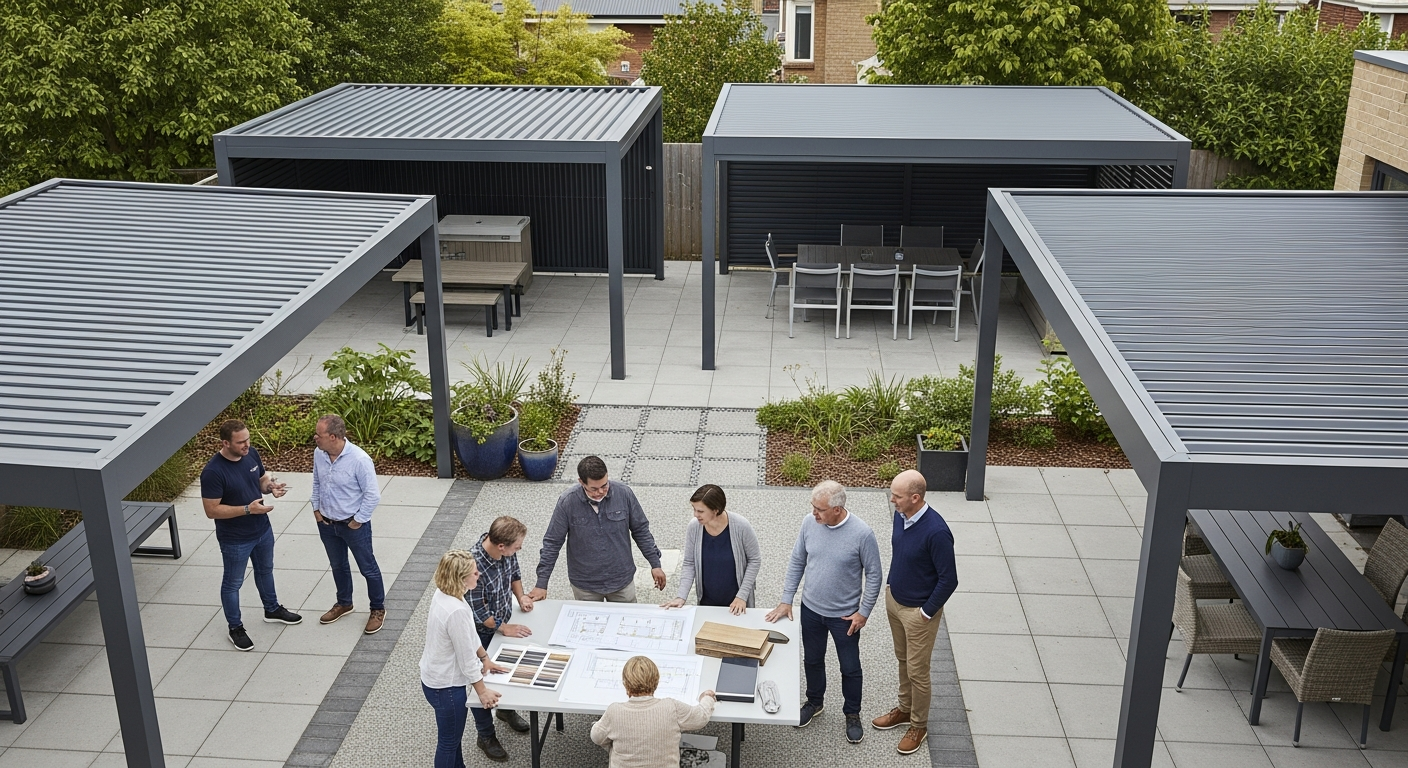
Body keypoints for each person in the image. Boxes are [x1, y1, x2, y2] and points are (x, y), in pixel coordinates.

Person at [766, 480, 882, 744]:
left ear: (837, 510)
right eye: (813, 507)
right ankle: (814, 702)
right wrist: (786, 600)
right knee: (813, 660)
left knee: (850, 667)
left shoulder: (862, 534)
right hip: (811, 610)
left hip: (844, 617)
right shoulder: (810, 523)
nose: (814, 513)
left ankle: (852, 713)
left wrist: (863, 612)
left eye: (819, 509)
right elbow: (797, 560)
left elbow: (874, 575)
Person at [873, 470, 958, 755]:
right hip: (895, 601)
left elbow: (949, 579)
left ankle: (918, 725)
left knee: (918, 671)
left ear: (915, 498)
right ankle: (905, 709)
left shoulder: (937, 532)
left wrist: (925, 613)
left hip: (918, 613)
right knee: (902, 660)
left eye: (897, 496)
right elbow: (901, 553)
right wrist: (890, 585)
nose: (892, 500)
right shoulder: (901, 516)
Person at [200, 418, 303, 652]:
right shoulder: (213, 472)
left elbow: (261, 479)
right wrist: (247, 509)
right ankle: (235, 628)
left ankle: (272, 609)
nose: (247, 445)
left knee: (265, 570)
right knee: (232, 583)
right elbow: (211, 510)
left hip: (262, 529)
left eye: (248, 439)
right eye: (240, 442)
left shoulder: (251, 453)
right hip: (235, 539)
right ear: (225, 443)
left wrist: (271, 487)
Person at [529, 456, 665, 603]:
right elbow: (552, 543)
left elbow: (641, 530)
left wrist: (655, 564)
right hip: (585, 585)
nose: (601, 491)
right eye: (594, 488)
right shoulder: (567, 502)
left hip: (621, 580)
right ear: (581, 482)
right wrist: (541, 583)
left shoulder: (624, 494)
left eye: (604, 486)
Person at [420, 550, 509, 766]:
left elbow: (468, 634)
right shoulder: (456, 611)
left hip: (433, 679)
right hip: (447, 688)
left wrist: (485, 658)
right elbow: (466, 657)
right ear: (460, 579)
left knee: (453, 740)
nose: (479, 574)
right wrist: (482, 691)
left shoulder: (445, 594)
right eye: (474, 573)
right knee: (448, 743)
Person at [311, 414, 387, 635]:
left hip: (353, 526)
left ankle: (377, 609)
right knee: (338, 566)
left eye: (319, 434)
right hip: (326, 524)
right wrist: (316, 510)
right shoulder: (319, 453)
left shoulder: (360, 460)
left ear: (333, 437)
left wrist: (358, 521)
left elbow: (372, 495)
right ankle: (344, 603)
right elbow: (316, 482)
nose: (315, 437)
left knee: (368, 568)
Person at [466, 516, 535, 755]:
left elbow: (514, 574)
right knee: (482, 684)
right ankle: (485, 735)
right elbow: (479, 611)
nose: (519, 550)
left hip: (502, 620)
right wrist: (503, 627)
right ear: (501, 546)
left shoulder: (506, 551)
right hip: (482, 634)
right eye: (517, 547)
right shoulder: (473, 566)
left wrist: (521, 597)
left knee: (507, 670)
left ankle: (506, 710)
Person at [589, 655, 717, 768]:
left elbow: (597, 737)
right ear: (656, 681)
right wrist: (707, 698)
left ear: (625, 683)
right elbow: (701, 717)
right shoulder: (671, 707)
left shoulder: (614, 711)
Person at [661, 484, 762, 615]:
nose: (695, 515)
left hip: (736, 604)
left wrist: (742, 596)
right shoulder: (694, 527)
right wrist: (681, 596)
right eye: (694, 509)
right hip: (707, 602)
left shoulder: (741, 526)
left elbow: (754, 560)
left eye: (700, 511)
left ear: (716, 510)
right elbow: (689, 563)